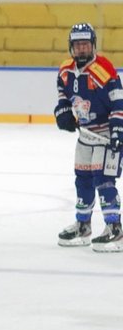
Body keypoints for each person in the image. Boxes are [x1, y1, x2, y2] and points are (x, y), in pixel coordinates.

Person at [54, 23, 123, 252]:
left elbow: (118, 102)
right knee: (82, 178)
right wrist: (63, 111)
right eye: (77, 45)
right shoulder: (65, 70)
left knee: (103, 180)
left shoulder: (104, 69)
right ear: (71, 47)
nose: (82, 49)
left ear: (93, 45)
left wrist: (117, 131)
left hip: (105, 134)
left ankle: (115, 228)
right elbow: (63, 93)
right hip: (85, 135)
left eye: (85, 45)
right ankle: (83, 225)